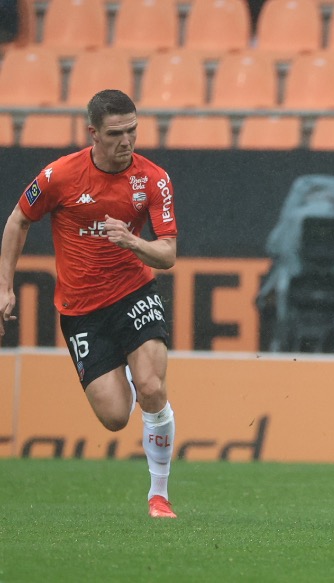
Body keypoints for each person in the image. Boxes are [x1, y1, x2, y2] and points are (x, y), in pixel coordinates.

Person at [0, 89, 179, 518]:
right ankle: (134, 375)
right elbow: (19, 219)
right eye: (116, 133)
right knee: (116, 416)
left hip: (133, 293)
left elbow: (168, 254)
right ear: (93, 133)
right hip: (80, 310)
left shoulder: (153, 179)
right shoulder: (60, 176)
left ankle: (159, 496)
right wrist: (5, 287)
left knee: (153, 387)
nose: (127, 141)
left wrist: (132, 241)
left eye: (133, 130)